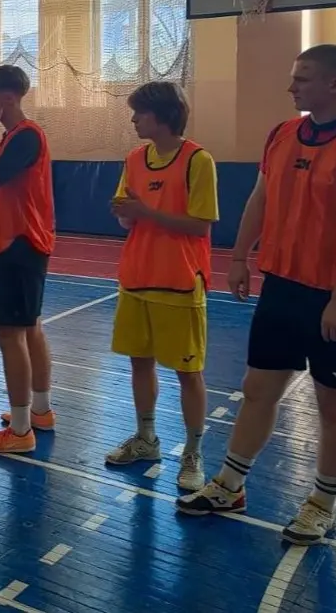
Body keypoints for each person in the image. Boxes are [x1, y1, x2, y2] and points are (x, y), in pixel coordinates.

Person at [178, 44, 336, 545]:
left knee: (334, 405)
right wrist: (240, 257)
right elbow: (260, 199)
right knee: (258, 389)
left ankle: (321, 504)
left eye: (302, 78)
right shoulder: (280, 135)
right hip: (281, 289)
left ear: (335, 84)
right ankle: (230, 485)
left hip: (333, 298)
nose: (291, 86)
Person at [105, 81, 216, 490]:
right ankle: (146, 438)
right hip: (136, 277)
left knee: (189, 372)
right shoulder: (135, 158)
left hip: (179, 282)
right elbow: (128, 218)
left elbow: (200, 225)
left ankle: (193, 452)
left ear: (163, 116)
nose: (134, 119)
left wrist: (145, 211)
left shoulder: (197, 160)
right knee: (140, 363)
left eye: (140, 112)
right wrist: (125, 213)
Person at [0, 65, 57, 454]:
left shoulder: (25, 136)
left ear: (6, 98)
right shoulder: (14, 138)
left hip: (23, 246)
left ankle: (21, 431)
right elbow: (8, 198)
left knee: (11, 334)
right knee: (30, 328)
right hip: (17, 243)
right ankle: (39, 410)